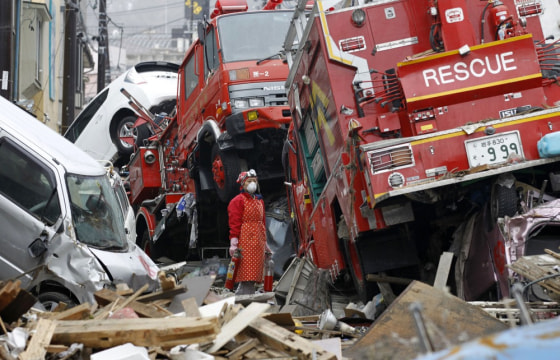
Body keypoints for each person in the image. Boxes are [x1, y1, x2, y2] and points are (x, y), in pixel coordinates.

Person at [227, 169, 271, 295]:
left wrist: (265, 243)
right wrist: (234, 241)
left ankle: (248, 291)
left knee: (256, 269)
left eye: (254, 181)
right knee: (246, 269)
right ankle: (244, 291)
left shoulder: (259, 201)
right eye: (249, 181)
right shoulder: (237, 201)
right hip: (245, 239)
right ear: (243, 184)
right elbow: (234, 223)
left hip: (258, 240)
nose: (253, 184)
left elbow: (262, 222)